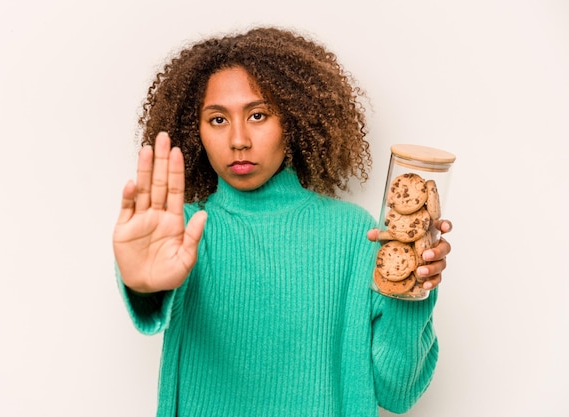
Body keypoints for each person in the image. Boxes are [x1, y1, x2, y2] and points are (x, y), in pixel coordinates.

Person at [112, 26, 452, 417]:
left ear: (292, 120)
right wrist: (144, 287)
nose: (238, 139)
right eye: (218, 120)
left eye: (258, 115)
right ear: (195, 131)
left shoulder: (358, 235)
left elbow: (398, 391)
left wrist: (413, 287)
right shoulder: (181, 230)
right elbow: (154, 276)